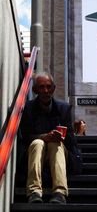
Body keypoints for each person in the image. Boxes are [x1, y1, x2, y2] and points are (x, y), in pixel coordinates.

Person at [19, 72, 80, 204]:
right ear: (35, 90)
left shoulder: (64, 108)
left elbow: (71, 141)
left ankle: (59, 192)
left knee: (55, 144)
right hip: (36, 151)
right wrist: (44, 137)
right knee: (37, 143)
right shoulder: (28, 108)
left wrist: (61, 137)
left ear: (53, 88)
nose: (45, 91)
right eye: (41, 87)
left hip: (58, 153)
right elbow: (25, 136)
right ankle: (34, 191)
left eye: (48, 87)